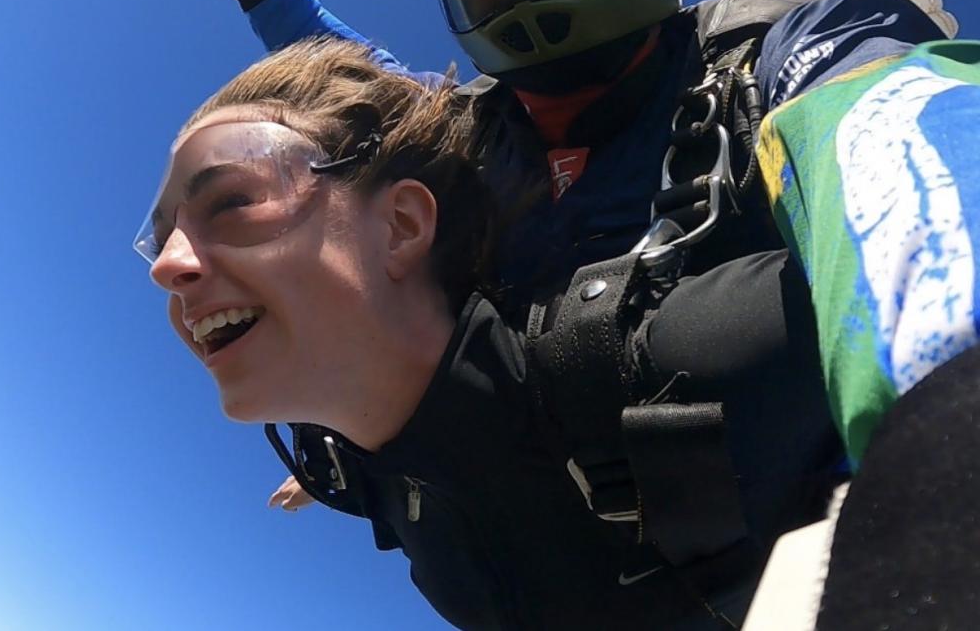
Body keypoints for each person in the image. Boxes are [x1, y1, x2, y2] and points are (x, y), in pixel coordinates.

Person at [129, 0, 968, 627]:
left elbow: (892, 130)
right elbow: (355, 107)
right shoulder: (470, 144)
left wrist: (946, 447)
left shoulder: (774, 57)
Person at [138, 36, 842, 629]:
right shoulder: (352, 466)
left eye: (231, 203)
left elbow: (927, 298)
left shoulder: (671, 371)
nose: (168, 267)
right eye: (163, 236)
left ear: (403, 226)